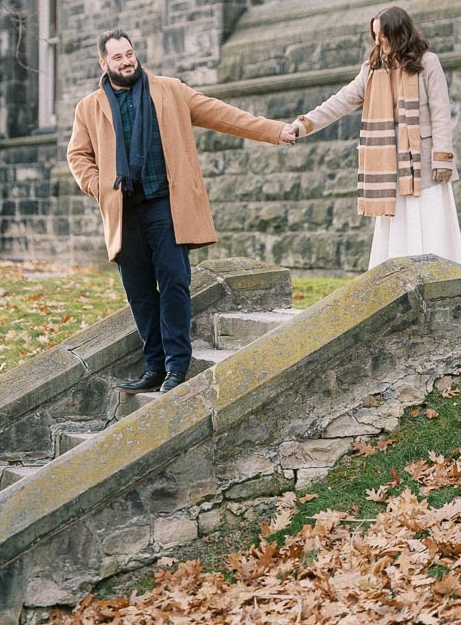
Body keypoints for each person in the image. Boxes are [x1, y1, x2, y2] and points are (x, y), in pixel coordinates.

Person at [67, 29, 297, 393]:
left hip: (166, 206)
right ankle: (154, 367)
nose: (126, 61)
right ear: (103, 63)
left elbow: (222, 115)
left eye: (129, 53)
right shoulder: (88, 108)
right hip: (124, 212)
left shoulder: (170, 90)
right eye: (117, 57)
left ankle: (177, 367)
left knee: (175, 282)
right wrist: (99, 186)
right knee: (140, 293)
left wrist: (274, 130)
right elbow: (78, 155)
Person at [289, 6, 461, 268]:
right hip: (388, 159)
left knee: (431, 220)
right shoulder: (371, 70)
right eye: (375, 35)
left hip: (425, 161)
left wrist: (442, 158)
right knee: (396, 223)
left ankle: (440, 276)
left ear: (398, 32)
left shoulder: (428, 63)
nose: (378, 41)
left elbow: (441, 113)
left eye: (382, 35)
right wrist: (303, 124)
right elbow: (341, 101)